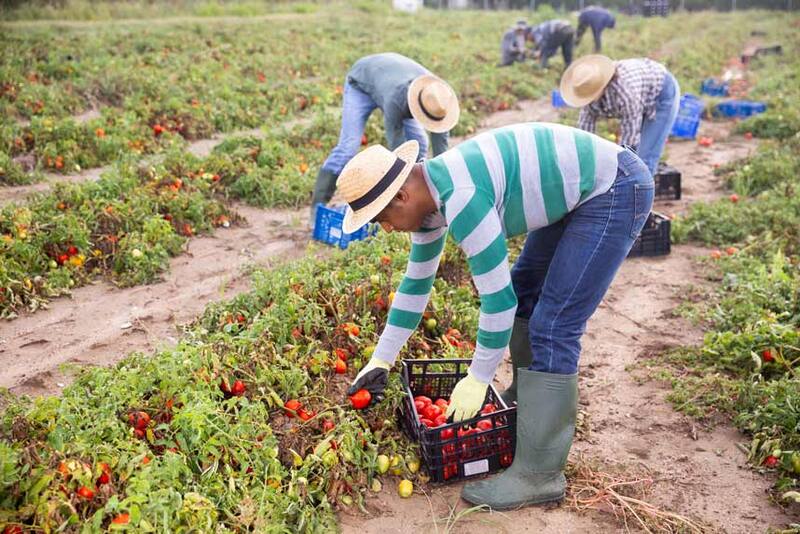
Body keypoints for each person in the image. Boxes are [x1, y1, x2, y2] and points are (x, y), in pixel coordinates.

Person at [341, 122, 654, 510]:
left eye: (381, 219)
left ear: (402, 195)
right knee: (526, 292)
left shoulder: (463, 198)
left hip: (615, 189)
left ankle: (540, 474)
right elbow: (415, 286)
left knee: (554, 325)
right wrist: (380, 359)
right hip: (582, 188)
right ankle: (528, 401)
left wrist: (479, 376)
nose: (387, 230)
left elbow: (498, 301)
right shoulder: (430, 199)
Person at [310, 53, 459, 225]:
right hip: (361, 83)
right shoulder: (397, 100)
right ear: (416, 105)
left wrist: (440, 183)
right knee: (348, 147)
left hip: (389, 78)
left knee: (421, 142)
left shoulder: (438, 98)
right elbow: (397, 150)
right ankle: (317, 207)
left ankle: (416, 198)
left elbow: (441, 149)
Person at [561, 54, 680, 175]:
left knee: (645, 160)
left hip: (661, 93)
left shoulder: (624, 94)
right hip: (640, 93)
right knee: (632, 162)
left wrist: (618, 170)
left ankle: (643, 190)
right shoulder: (588, 94)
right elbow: (584, 135)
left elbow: (630, 140)